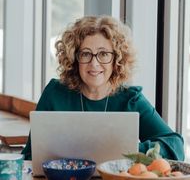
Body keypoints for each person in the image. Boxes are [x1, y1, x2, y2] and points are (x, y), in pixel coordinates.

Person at [22, 15, 184, 161]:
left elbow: (175, 145)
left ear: (117, 59)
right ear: (74, 58)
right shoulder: (54, 93)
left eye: (103, 54)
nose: (94, 63)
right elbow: (30, 154)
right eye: (85, 54)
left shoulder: (130, 99)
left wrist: (130, 151)